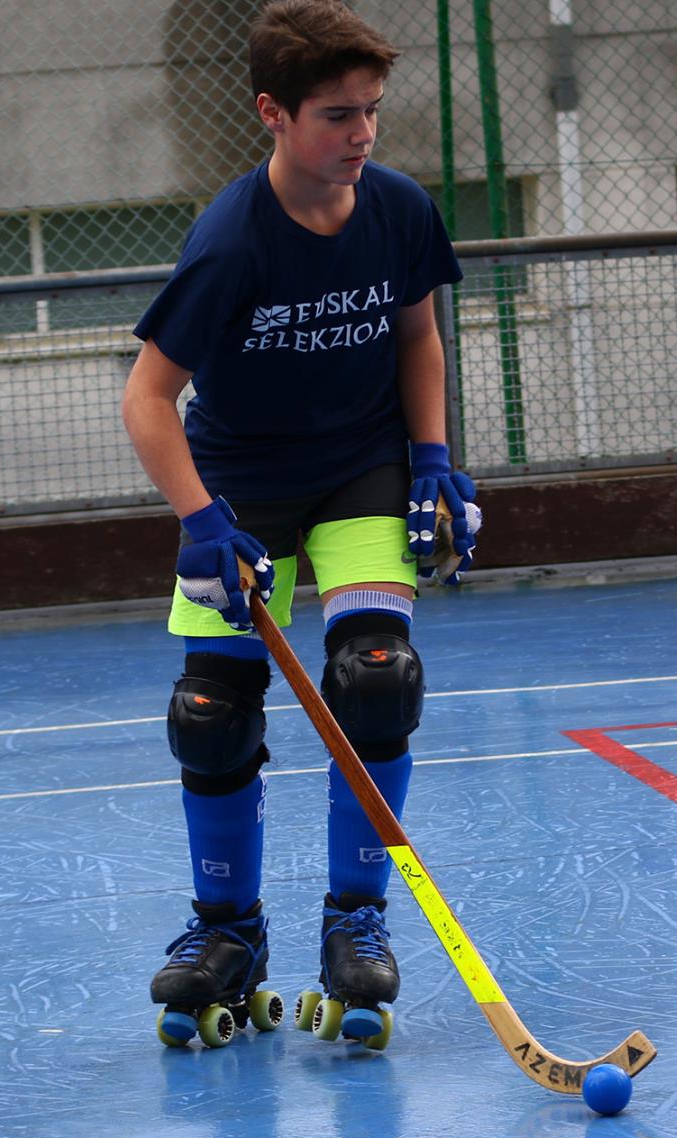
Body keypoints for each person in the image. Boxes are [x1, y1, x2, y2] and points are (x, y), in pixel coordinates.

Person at [120, 0, 476, 1050]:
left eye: (372, 111)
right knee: (210, 709)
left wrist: (431, 462)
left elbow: (417, 337)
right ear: (272, 114)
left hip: (362, 470)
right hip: (240, 486)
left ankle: (354, 918)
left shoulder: (398, 209)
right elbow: (147, 397)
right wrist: (200, 521)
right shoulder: (232, 242)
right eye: (336, 116)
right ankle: (226, 931)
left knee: (376, 677)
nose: (362, 134)